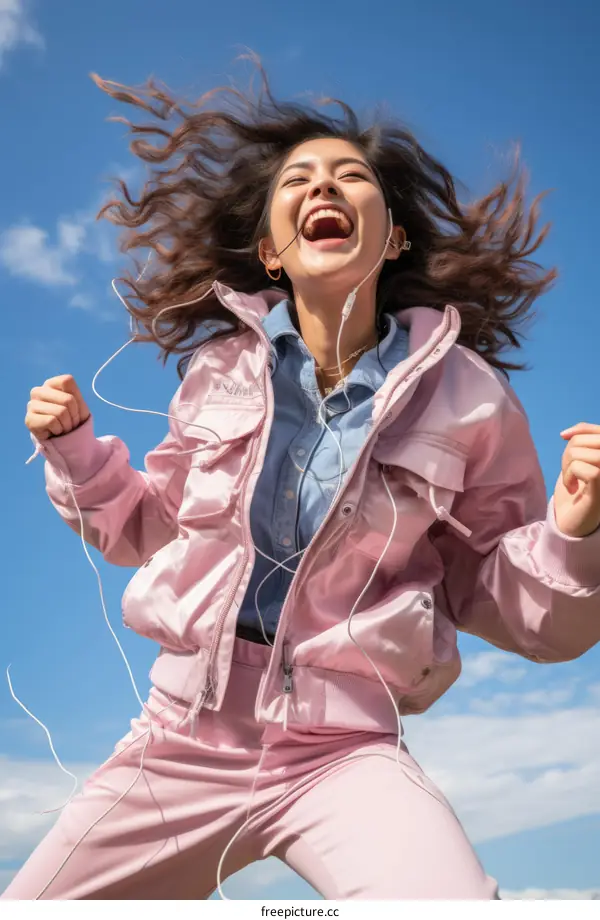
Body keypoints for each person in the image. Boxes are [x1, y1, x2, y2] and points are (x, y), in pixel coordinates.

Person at [6, 65, 600, 901]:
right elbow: (148, 530)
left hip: (344, 750)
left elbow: (507, 602)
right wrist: (75, 453)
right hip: (179, 741)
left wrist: (577, 533)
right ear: (270, 252)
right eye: (301, 179)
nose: (326, 183)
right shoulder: (217, 373)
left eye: (352, 176)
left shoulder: (468, 395)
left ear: (391, 238)